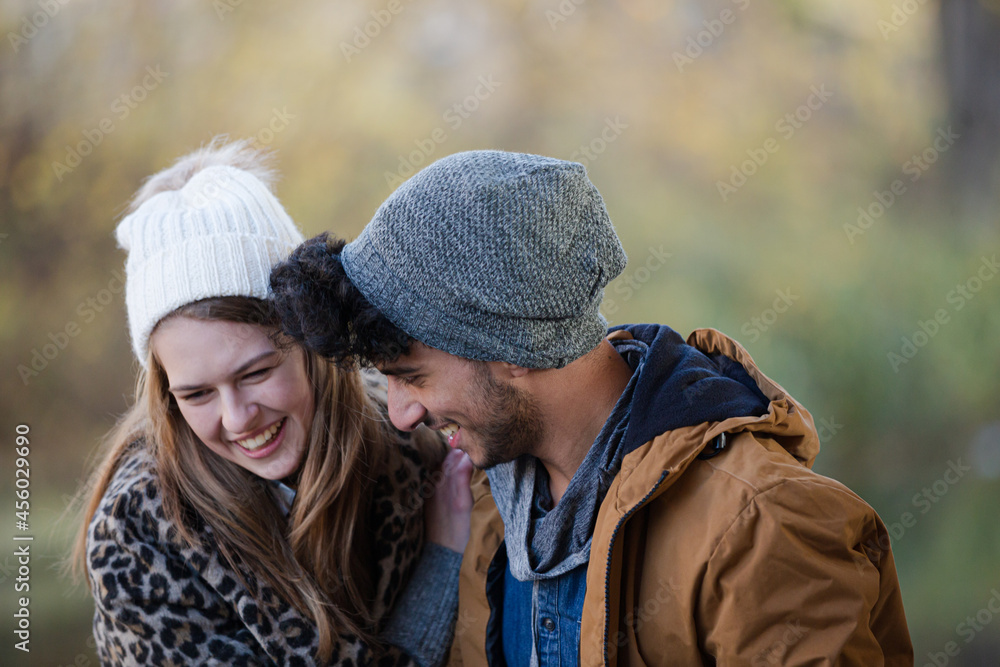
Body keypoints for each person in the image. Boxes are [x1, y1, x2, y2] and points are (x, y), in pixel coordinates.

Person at [268, 150, 915, 666]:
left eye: (411, 377)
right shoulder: (487, 504)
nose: (403, 412)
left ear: (512, 347)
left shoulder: (761, 525)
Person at [71, 138, 473, 667]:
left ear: (311, 343)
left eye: (256, 373)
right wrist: (442, 560)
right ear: (165, 393)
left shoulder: (403, 439)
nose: (237, 418)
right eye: (196, 393)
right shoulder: (139, 530)